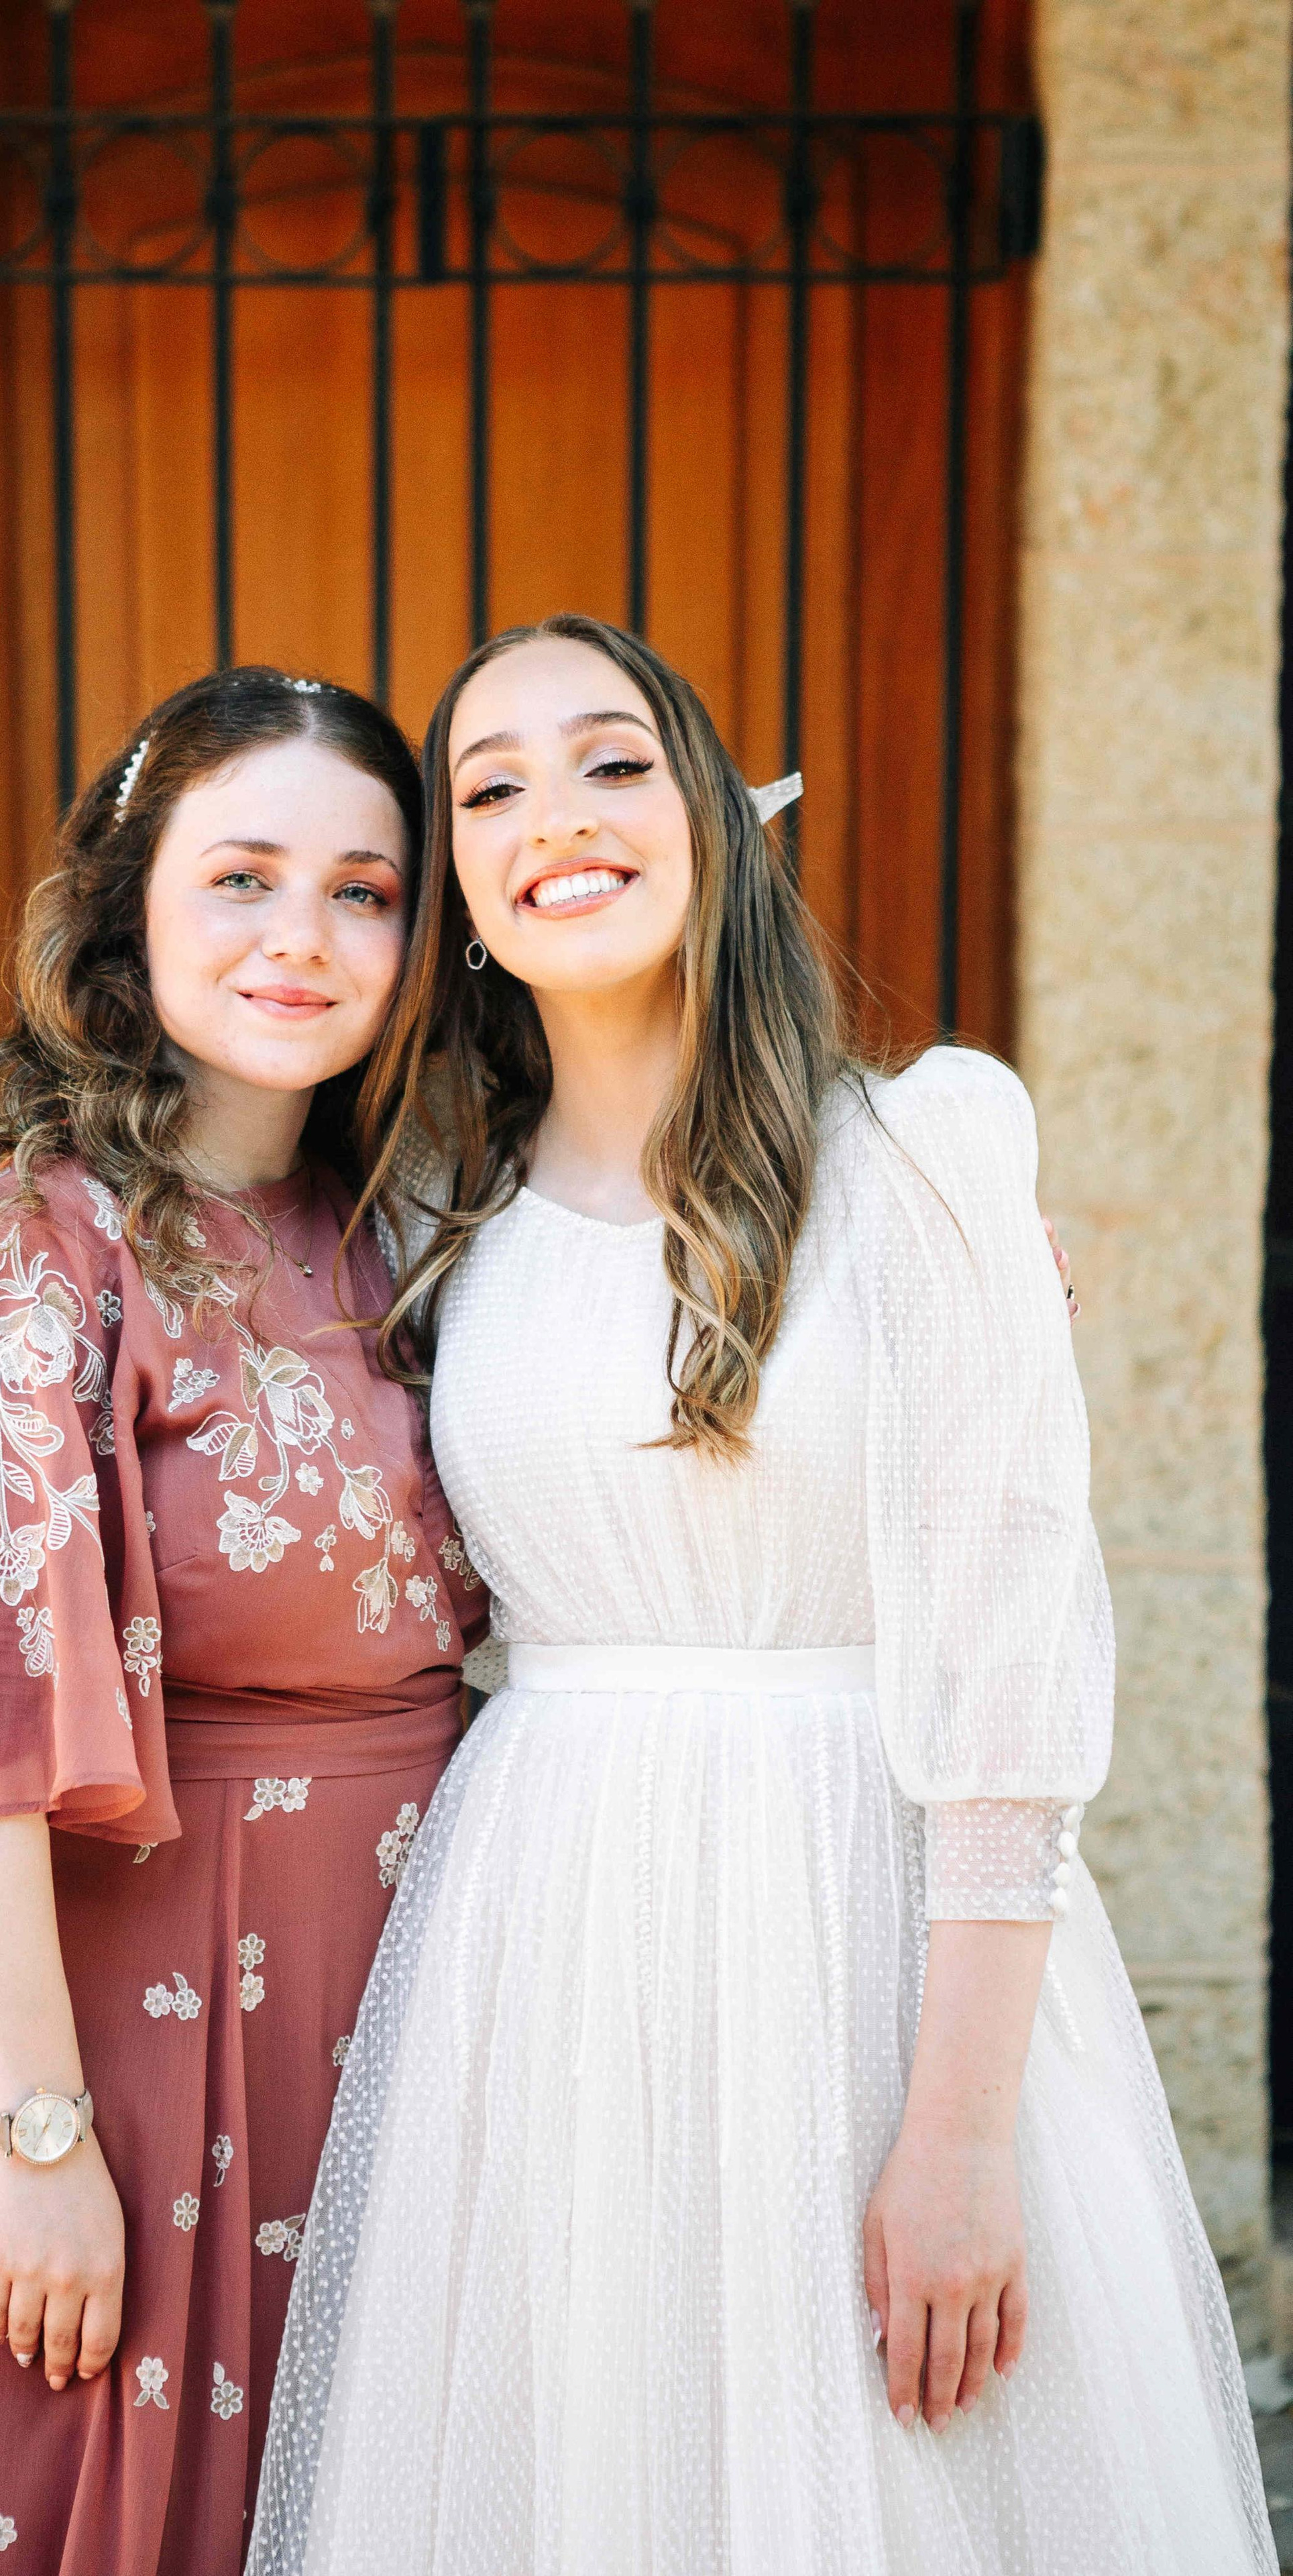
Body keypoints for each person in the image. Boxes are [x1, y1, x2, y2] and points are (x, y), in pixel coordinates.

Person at [247, 616, 1274, 2575]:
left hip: (862, 1931)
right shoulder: (429, 1211)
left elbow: (1006, 1667)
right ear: (455, 889)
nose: (559, 812)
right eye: (492, 785)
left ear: (714, 814)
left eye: (614, 759)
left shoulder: (924, 1156)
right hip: (538, 1953)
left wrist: (961, 2133)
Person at [0, 668, 487, 2576]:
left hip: (391, 2028)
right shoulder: (30, 1249)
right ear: (129, 904)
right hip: (113, 2054)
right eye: (243, 876)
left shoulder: (391, 1228)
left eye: (365, 891)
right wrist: (42, 2145)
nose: (303, 940)